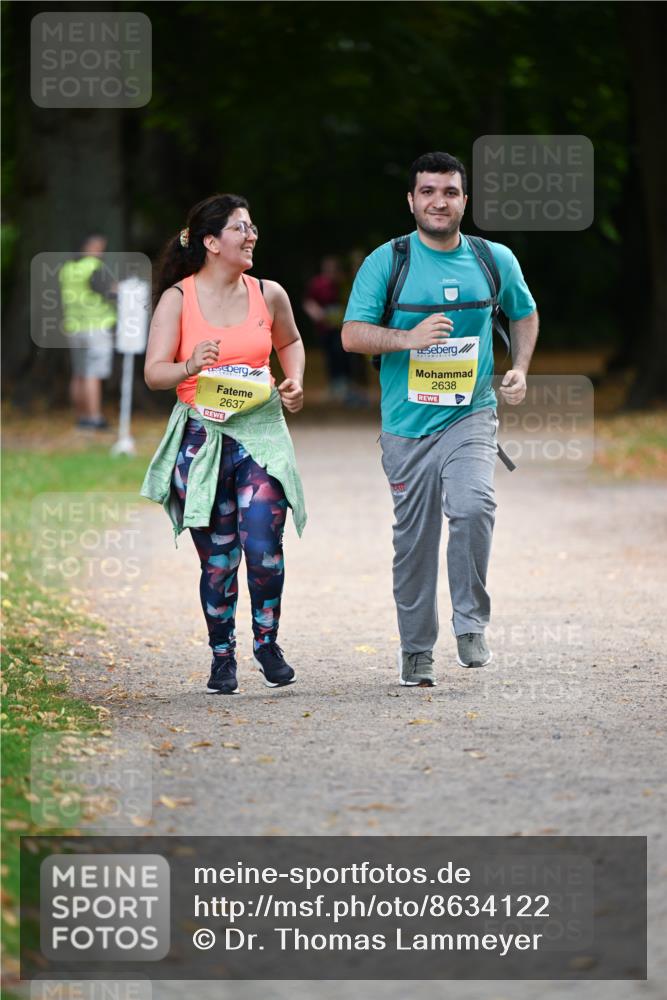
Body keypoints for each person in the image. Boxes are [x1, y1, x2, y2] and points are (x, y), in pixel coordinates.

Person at [342, 151, 539, 686]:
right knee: (415, 539)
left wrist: (519, 367)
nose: (438, 201)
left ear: (464, 201)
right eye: (427, 191)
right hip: (406, 427)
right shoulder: (389, 261)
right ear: (411, 200)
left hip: (470, 414)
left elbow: (523, 312)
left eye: (449, 192)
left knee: (475, 507)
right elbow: (352, 334)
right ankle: (416, 648)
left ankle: (471, 623)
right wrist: (407, 338)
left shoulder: (493, 258)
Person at [141, 194, 306, 695]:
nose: (251, 235)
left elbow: (290, 342)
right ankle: (221, 658)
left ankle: (266, 643)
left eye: (253, 226)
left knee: (263, 547)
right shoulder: (179, 298)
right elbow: (153, 374)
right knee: (218, 559)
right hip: (202, 438)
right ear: (212, 242)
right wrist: (190, 364)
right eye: (240, 228)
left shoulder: (268, 293)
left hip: (260, 435)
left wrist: (294, 380)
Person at [58, 234, 116, 429]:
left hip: (74, 327)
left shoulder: (68, 269)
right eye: (99, 247)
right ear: (88, 247)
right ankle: (95, 418)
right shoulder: (93, 267)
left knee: (79, 374)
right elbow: (107, 292)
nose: (100, 253)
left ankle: (81, 417)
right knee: (93, 374)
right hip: (96, 327)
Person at [302, 255, 355, 402]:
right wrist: (318, 314)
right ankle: (335, 384)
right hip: (325, 328)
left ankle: (346, 384)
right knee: (331, 355)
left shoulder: (343, 283)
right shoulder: (317, 284)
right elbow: (308, 302)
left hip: (342, 328)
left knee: (344, 354)